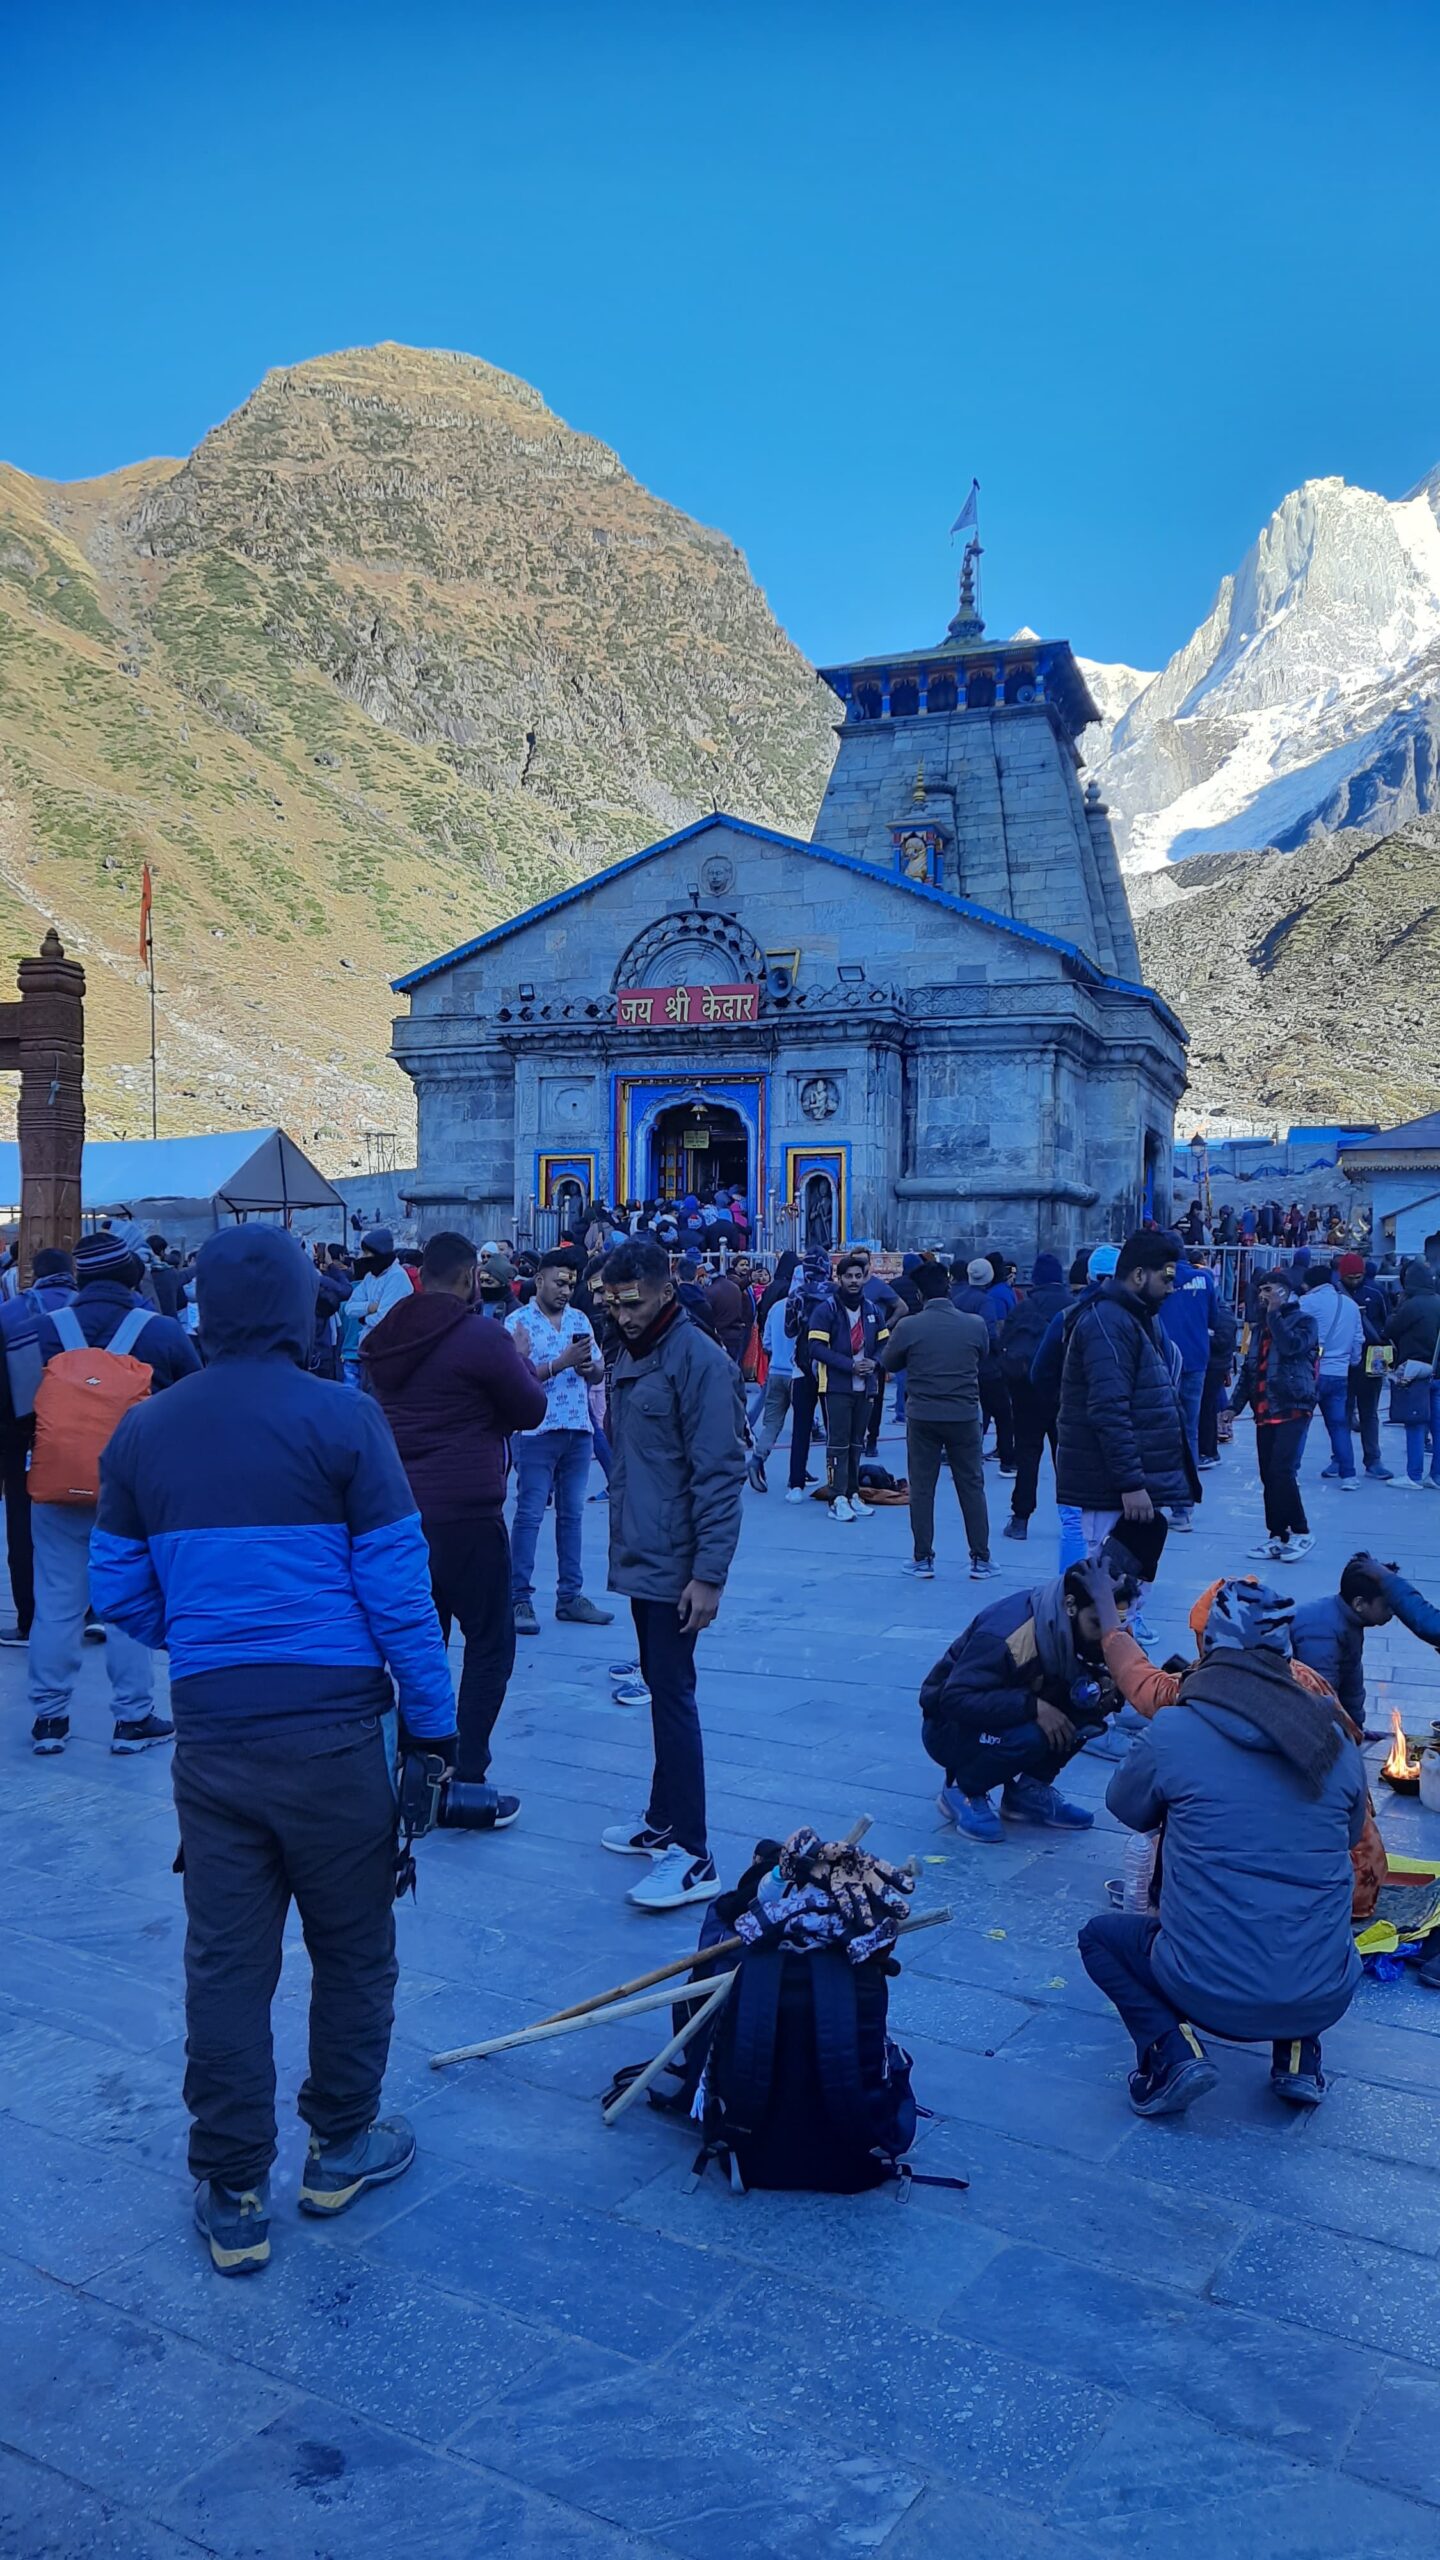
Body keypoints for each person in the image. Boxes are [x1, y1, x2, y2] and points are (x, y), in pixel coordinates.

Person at [90, 1227, 457, 2275]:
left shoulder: (143, 1431)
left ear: (200, 1307)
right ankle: (341, 2147)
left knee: (225, 1962)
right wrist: (432, 1731)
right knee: (353, 1950)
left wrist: (206, 1636)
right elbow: (400, 1596)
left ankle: (234, 2186)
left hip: (214, 1742)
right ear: (305, 1310)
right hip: (338, 1740)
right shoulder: (346, 1419)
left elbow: (120, 1592)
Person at [1078, 1578, 1366, 2116]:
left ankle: (1172, 2052)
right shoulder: (1334, 1738)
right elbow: (1347, 1838)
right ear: (1287, 1653)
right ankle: (1300, 2056)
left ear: (1208, 1647)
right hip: (1324, 1990)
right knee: (1314, 1925)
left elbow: (1127, 1807)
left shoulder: (1176, 1730)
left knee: (1101, 1938)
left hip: (1205, 1989)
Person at [363, 1231, 547, 1809]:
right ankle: (466, 1777)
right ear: (470, 1276)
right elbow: (530, 1408)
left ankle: (419, 1764)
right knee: (490, 1644)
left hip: (398, 1515)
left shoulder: (382, 1337)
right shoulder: (482, 1337)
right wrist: (517, 1359)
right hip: (467, 1512)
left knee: (423, 1643)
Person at [597, 1238, 745, 1911]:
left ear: (666, 1288)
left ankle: (694, 1851)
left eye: (635, 1302)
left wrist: (709, 1574)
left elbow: (719, 1474)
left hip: (680, 1565)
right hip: (643, 1556)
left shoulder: (699, 1362)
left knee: (675, 1694)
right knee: (659, 1685)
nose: (624, 1314)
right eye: (613, 1302)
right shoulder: (631, 1350)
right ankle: (662, 1818)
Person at [27, 1231, 200, 1757]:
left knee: (57, 1600)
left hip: (56, 1486)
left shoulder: (41, 1331)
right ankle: (132, 1718)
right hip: (133, 1490)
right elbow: (194, 1409)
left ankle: (50, 1720)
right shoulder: (162, 1334)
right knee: (129, 1599)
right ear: (131, 1274)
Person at [920, 1566, 1129, 1841]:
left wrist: (1107, 1686)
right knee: (1032, 1735)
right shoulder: (1009, 1634)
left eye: (1117, 1624)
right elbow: (954, 1698)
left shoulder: (1091, 1628)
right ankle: (962, 1788)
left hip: (1008, 1703)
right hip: (948, 1726)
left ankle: (1029, 1791)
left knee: (1087, 1705)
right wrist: (1033, 1707)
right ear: (1070, 1606)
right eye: (1097, 1624)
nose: (1107, 1637)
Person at [1054, 1231, 1196, 1569]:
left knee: (1125, 1585)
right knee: (1103, 1585)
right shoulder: (1107, 1322)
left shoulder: (1134, 1317)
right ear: (1138, 1275)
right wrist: (1132, 1484)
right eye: (1166, 1278)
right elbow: (1109, 1410)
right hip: (1108, 1488)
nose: (1171, 1287)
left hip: (1122, 1483)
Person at [503, 1250, 614, 1633]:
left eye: (571, 1284)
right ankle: (519, 1598)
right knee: (530, 1515)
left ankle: (570, 1595)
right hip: (535, 1432)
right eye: (559, 1282)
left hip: (577, 1430)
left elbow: (598, 1372)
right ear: (540, 1281)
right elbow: (513, 1378)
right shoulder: (517, 1322)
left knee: (573, 1517)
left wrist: (589, 1367)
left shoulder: (580, 1319)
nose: (566, 1290)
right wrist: (561, 1363)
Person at [879, 1260, 991, 1578]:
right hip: (965, 1414)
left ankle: (923, 1557)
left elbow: (889, 1361)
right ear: (950, 1287)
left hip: (923, 1415)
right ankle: (981, 1558)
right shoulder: (974, 1324)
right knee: (971, 1485)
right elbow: (982, 1356)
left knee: (923, 1487)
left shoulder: (910, 1326)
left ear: (918, 1294)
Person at [0, 1245, 76, 1646]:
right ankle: (94, 1612)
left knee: (23, 1529)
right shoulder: (93, 1310)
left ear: (33, 1273)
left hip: (23, 1439)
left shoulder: (11, 1313)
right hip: (93, 1440)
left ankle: (29, 1619)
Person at [1231, 1267, 1319, 1562]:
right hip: (1264, 1409)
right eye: (1262, 1289)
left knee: (1283, 1470)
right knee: (1268, 1474)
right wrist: (1233, 1407)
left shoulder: (1305, 1322)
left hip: (1293, 1405)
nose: (1263, 1295)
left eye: (1271, 1289)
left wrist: (1275, 1315)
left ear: (1286, 1292)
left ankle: (1302, 1530)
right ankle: (1277, 1534)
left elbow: (1292, 1346)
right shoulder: (1257, 1330)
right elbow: (1248, 1369)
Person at [808, 1251, 890, 1521]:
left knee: (858, 1442)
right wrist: (848, 1365)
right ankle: (836, 1497)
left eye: (858, 1276)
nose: (854, 1281)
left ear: (865, 1277)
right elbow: (815, 1348)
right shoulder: (826, 1310)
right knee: (838, 1444)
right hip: (836, 1386)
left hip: (866, 1386)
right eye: (848, 1276)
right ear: (839, 1278)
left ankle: (854, 1493)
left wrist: (875, 1363)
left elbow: (884, 1344)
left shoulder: (872, 1310)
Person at [999, 1253, 1069, 1542]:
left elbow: (1004, 1346)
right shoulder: (1072, 1307)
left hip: (1027, 1394)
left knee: (1027, 1455)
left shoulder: (1023, 1308)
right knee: (1064, 1458)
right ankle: (1071, 1520)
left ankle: (1020, 1519)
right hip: (1063, 1394)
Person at [1292, 1557, 1395, 1723]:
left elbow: (1351, 1680)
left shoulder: (1352, 1620)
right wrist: (1344, 1734)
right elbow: (1321, 1694)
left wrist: (1356, 1726)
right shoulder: (1321, 1632)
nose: (1393, 1611)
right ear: (1359, 1604)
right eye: (1387, 1605)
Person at [1157, 1245, 1216, 1527]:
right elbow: (1215, 1317)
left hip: (1165, 1362)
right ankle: (1184, 1507)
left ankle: (1159, 1498)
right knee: (1189, 1432)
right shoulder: (1204, 1279)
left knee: (1159, 1431)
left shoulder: (1160, 1279)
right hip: (1196, 1359)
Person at [1301, 1263, 1365, 1487]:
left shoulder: (1306, 1303)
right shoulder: (1350, 1305)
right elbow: (1358, 1339)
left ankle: (1291, 1473)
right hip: (1340, 1373)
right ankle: (1349, 1475)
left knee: (1301, 1424)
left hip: (1312, 1372)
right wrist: (1353, 1361)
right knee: (1339, 1426)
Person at [951, 1256, 1016, 1473]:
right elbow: (989, 1332)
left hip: (962, 1364)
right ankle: (1007, 1460)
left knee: (971, 1414)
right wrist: (999, 1351)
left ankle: (964, 1458)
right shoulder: (986, 1301)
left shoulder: (958, 1298)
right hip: (986, 1367)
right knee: (1003, 1414)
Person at [1386, 1258, 1440, 1488]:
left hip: (1415, 1370)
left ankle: (1413, 1475)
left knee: (1415, 1422)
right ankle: (1436, 1476)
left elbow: (1390, 1329)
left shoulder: (1412, 1304)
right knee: (1437, 1426)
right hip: (1436, 1371)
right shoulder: (1438, 1301)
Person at [747, 1267, 802, 1491]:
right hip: (799, 1374)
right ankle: (798, 1472)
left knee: (772, 1423)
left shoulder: (777, 1308)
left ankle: (758, 1458)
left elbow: (766, 1342)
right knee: (802, 1425)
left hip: (776, 1372)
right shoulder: (810, 1307)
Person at [1338, 1252, 1391, 1480]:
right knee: (1343, 1413)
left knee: (1369, 1413)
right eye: (1350, 1277)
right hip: (1345, 1361)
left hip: (1372, 1359)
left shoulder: (1376, 1293)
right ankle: (1340, 1459)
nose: (1354, 1280)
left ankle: (1373, 1459)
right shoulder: (1336, 1294)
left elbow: (1389, 1324)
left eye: (1358, 1276)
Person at [352, 1228, 413, 1341]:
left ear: (377, 1252)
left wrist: (363, 1318)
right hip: (369, 1348)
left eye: (366, 1252)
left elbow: (384, 1318)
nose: (363, 1257)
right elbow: (350, 1308)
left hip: (389, 1348)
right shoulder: (370, 1277)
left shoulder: (397, 1277)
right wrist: (369, 1307)